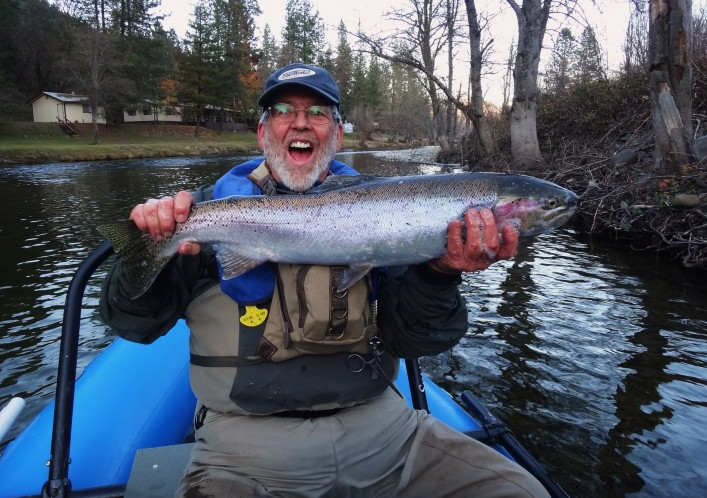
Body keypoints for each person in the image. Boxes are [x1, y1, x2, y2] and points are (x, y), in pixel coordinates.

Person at [101, 63, 549, 498]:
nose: (301, 123)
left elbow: (419, 340)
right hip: (243, 451)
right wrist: (146, 244)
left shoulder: (393, 217)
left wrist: (441, 272)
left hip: (383, 434)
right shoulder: (198, 215)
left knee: (523, 491)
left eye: (318, 113)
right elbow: (132, 325)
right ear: (262, 133)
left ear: (336, 134)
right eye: (283, 112)